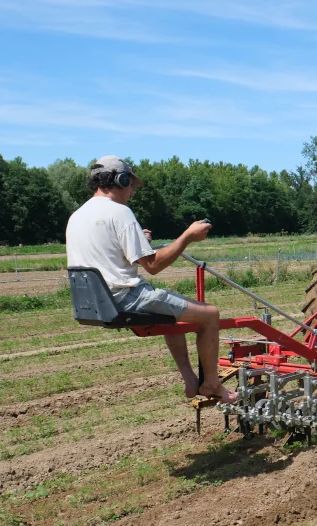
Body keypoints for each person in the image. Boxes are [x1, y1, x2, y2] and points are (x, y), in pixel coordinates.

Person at [66, 155, 237, 403]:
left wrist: (139, 240)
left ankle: (191, 382)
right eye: (131, 185)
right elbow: (154, 265)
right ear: (121, 180)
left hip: (95, 301)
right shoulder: (120, 212)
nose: (132, 191)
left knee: (171, 315)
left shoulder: (77, 216)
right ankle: (211, 384)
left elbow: (106, 255)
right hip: (126, 298)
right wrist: (187, 236)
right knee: (210, 315)